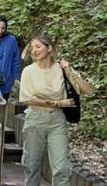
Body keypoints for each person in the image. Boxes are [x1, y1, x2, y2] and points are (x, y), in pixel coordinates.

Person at [19, 35, 93, 186]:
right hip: (35, 119)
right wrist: (59, 103)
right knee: (31, 165)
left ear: (49, 48)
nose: (34, 50)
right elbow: (28, 99)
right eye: (32, 48)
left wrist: (69, 72)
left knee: (62, 167)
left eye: (38, 46)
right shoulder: (28, 71)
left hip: (57, 121)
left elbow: (89, 91)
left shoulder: (61, 68)